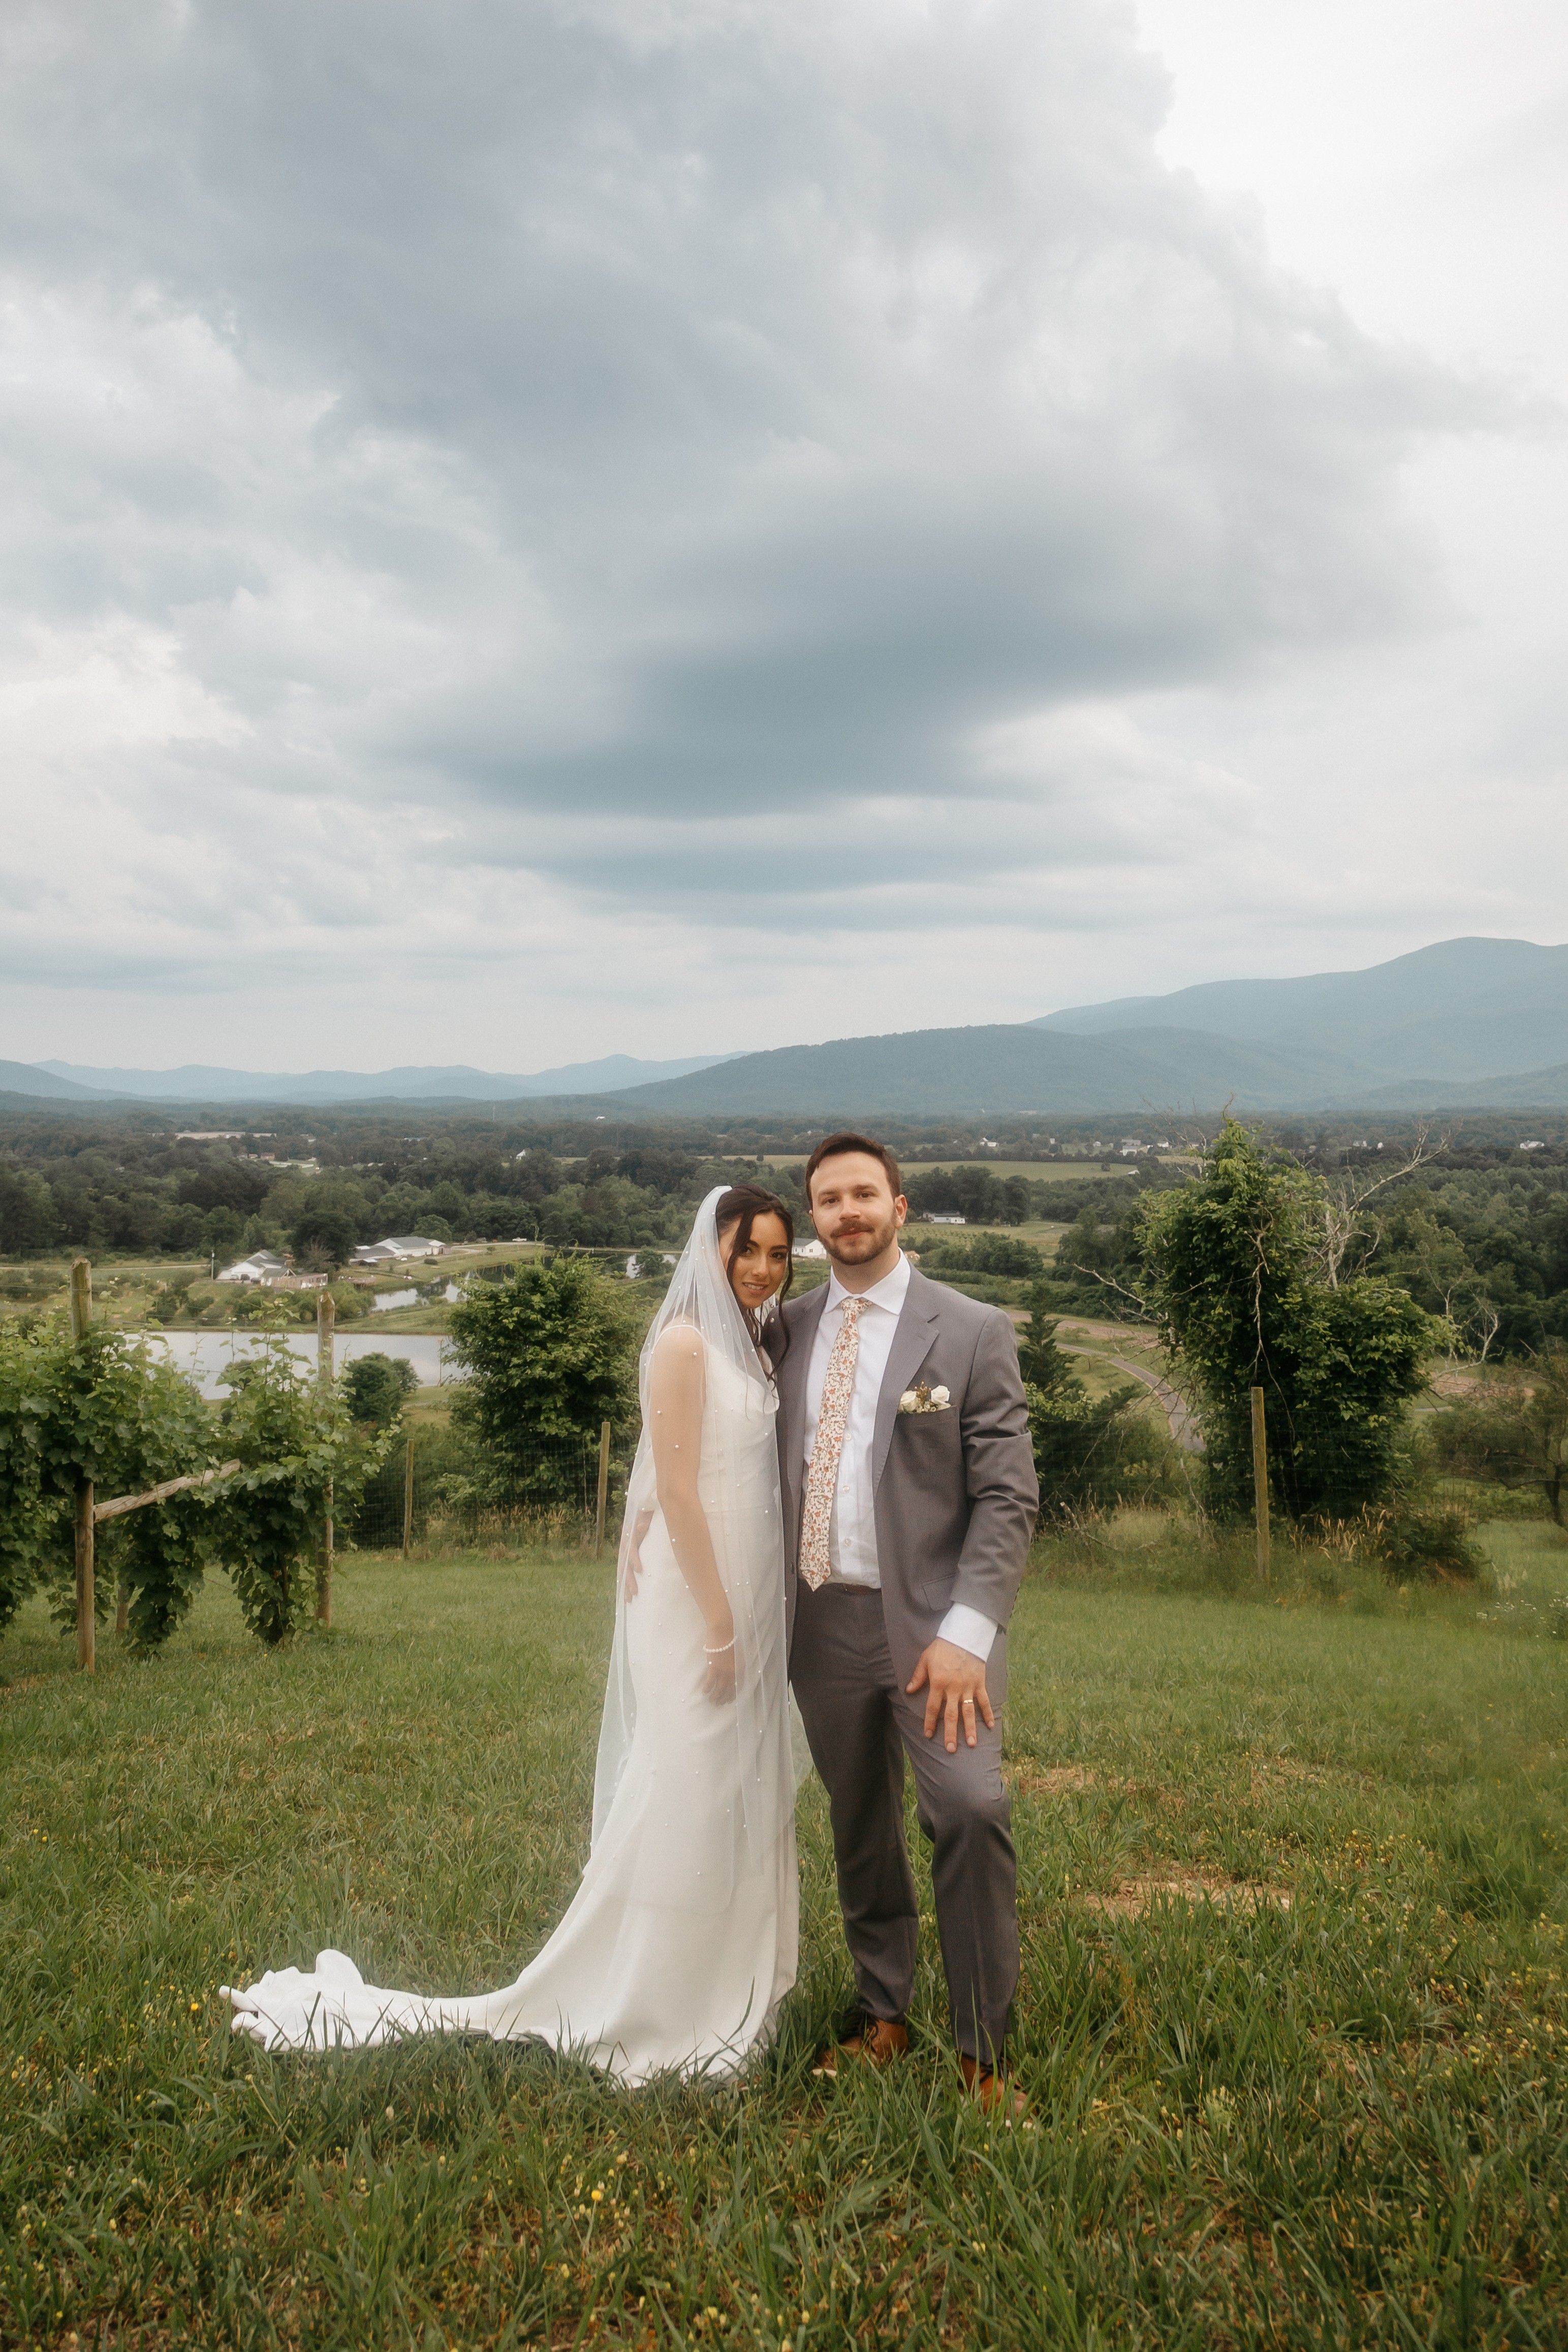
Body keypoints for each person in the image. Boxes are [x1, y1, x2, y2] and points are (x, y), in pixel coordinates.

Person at [223, 1185, 799, 2084]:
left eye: (775, 1253)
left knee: (727, 1787)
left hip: (748, 1596)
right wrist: (720, 1624)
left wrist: (662, 1533)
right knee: (682, 1784)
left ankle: (716, 1976)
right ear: (709, 1252)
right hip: (701, 1608)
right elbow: (680, 1490)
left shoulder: (755, 1342)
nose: (762, 1269)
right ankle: (648, 1992)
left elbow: (667, 1474)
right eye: (746, 1252)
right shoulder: (684, 1341)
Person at [768, 1133, 1038, 2112]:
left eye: (862, 1194)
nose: (846, 1211)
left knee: (969, 1808)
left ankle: (980, 2054)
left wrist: (969, 1633)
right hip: (819, 1621)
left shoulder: (968, 1330)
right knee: (859, 1824)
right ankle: (883, 2008)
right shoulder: (784, 1328)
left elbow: (1007, 1498)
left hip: (936, 1632)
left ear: (899, 1206)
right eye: (827, 1199)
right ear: (814, 1217)